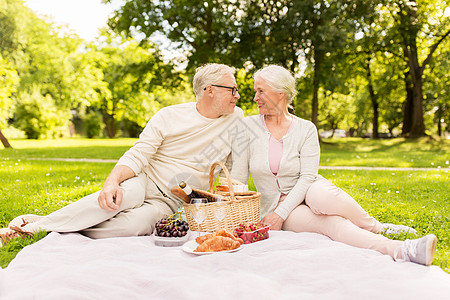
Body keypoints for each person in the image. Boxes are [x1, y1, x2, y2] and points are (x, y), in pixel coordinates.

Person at [0, 63, 244, 245]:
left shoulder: (236, 118)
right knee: (117, 200)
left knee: (132, 226)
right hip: (145, 179)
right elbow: (139, 153)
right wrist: (112, 182)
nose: (238, 95)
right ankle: (34, 228)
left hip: (172, 200)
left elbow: (231, 171)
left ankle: (56, 225)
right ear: (209, 90)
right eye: (232, 89)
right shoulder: (169, 115)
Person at [230, 65, 437, 266]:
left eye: (261, 91)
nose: (255, 97)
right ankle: (401, 249)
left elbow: (307, 177)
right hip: (278, 207)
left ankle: (376, 227)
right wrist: (271, 214)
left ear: (281, 93)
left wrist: (279, 215)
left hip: (308, 188)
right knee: (332, 224)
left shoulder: (306, 129)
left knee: (324, 197)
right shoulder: (246, 128)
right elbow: (237, 180)